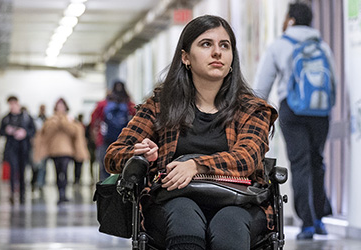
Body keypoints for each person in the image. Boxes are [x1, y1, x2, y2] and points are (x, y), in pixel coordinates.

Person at [104, 15, 278, 250]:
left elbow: (247, 158)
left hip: (240, 200)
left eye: (224, 46)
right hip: (174, 199)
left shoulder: (252, 108)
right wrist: (141, 153)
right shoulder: (160, 105)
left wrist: (196, 165)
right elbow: (114, 156)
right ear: (185, 57)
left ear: (232, 58)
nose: (217, 52)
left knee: (229, 227)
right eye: (206, 44)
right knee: (184, 220)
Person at [253, 2, 336, 239]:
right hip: (320, 111)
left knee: (299, 164)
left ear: (290, 18)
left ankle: (307, 223)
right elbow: (334, 82)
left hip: (293, 111)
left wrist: (256, 113)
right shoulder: (322, 45)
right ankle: (320, 219)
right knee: (317, 162)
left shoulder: (280, 45)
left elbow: (262, 86)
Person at [34, 98, 89, 204]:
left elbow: (74, 132)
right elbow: (46, 133)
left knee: (64, 172)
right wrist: (56, 122)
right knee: (57, 172)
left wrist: (63, 121)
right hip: (54, 151)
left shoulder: (70, 120)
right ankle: (60, 193)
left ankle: (63, 193)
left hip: (67, 151)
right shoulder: (50, 120)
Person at [90, 81, 136, 181]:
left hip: (104, 140)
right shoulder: (129, 104)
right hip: (125, 141)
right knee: (125, 167)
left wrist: (95, 137)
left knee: (103, 167)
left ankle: (104, 189)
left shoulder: (103, 104)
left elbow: (94, 121)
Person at [0, 96, 36, 204]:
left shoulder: (27, 117)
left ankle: (22, 195)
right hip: (11, 148)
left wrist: (24, 133)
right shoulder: (6, 118)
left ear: (18, 104)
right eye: (10, 104)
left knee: (22, 171)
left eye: (13, 104)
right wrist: (8, 131)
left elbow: (33, 131)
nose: (12, 106)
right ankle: (12, 193)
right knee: (13, 170)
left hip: (23, 148)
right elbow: (0, 132)